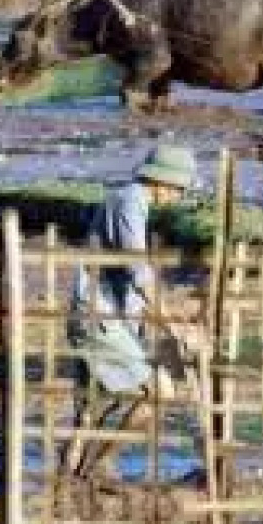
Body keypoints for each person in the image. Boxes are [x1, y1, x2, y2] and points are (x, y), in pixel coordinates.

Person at [60, 143, 209, 484]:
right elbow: (138, 273)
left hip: (114, 315)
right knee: (160, 392)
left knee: (91, 409)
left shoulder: (127, 200)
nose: (180, 195)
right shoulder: (130, 203)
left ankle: (67, 481)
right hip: (100, 316)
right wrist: (175, 327)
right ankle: (101, 466)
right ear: (164, 183)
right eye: (180, 188)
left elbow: (137, 292)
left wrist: (173, 340)